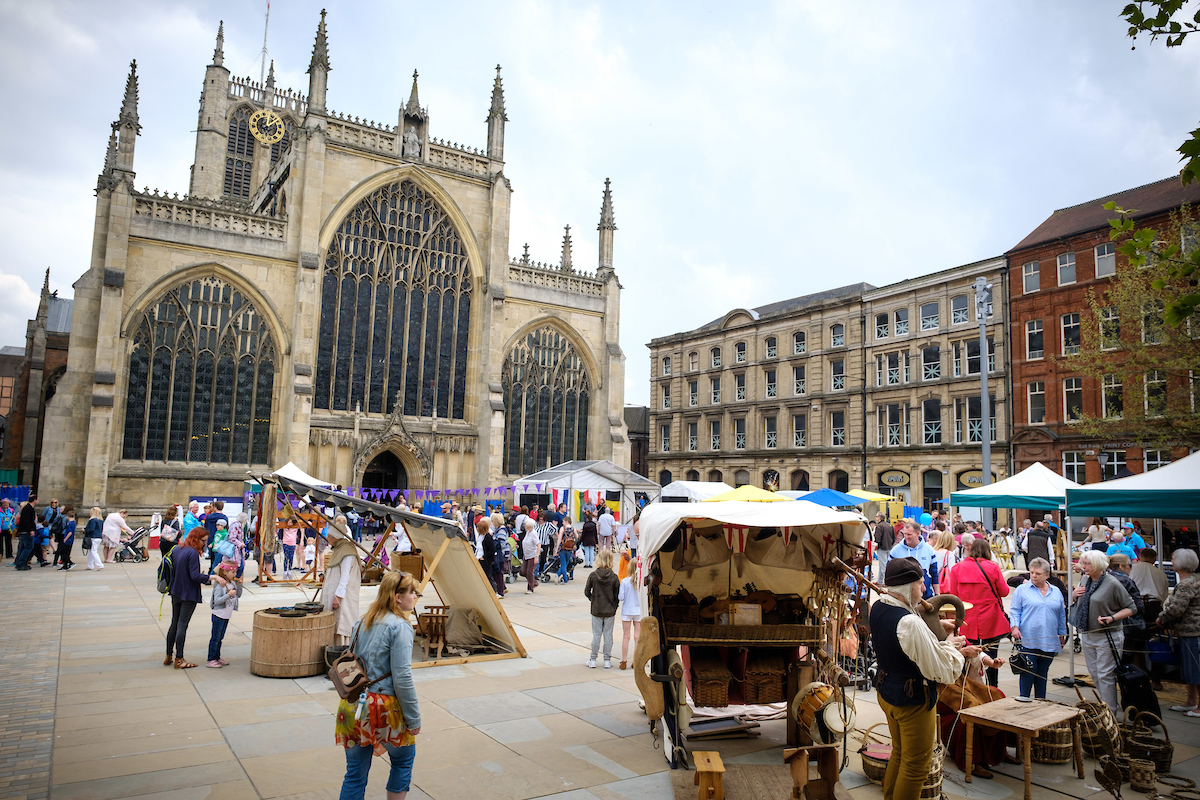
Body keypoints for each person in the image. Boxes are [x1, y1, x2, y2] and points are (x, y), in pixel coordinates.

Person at [870, 557, 967, 800]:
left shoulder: (880, 607)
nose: (924, 589)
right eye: (920, 583)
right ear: (907, 586)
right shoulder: (909, 622)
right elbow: (941, 670)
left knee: (901, 754)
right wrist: (952, 647)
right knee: (915, 767)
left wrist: (933, 631)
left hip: (888, 694)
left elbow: (906, 642)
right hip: (912, 702)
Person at [334, 570, 421, 800]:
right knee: (403, 761)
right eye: (412, 592)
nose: (415, 596)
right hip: (382, 707)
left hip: (352, 705)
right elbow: (402, 676)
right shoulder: (400, 627)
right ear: (397, 597)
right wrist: (413, 719)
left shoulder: (362, 621)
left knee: (354, 774)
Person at [1072, 549, 1137, 710]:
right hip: (1088, 633)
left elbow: (1132, 607)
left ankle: (1110, 712)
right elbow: (1077, 604)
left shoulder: (1112, 583)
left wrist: (1113, 618)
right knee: (1094, 673)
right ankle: (1105, 705)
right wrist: (1073, 595)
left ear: (1098, 565)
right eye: (1083, 563)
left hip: (1108, 635)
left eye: (1087, 563)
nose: (1083, 566)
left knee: (1105, 674)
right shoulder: (1086, 580)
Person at [942, 538, 1010, 687]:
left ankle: (969, 689)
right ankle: (992, 688)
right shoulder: (992, 567)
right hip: (991, 619)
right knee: (992, 657)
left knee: (967, 656)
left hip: (967, 619)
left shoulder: (957, 568)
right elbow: (1004, 592)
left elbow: (953, 596)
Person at [166, 526, 229, 669]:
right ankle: (179, 659)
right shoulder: (192, 553)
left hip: (176, 590)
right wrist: (213, 576)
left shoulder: (178, 548)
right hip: (188, 593)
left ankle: (169, 655)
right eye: (203, 540)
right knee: (182, 625)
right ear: (196, 538)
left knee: (174, 623)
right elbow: (195, 576)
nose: (204, 544)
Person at [1010, 558, 1067, 699]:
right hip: (1027, 637)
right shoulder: (1022, 590)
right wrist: (1015, 627)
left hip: (1049, 639)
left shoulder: (1056, 591)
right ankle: (1024, 698)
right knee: (1029, 670)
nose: (1034, 576)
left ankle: (1041, 701)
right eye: (1032, 572)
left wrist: (1062, 635)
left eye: (1038, 573)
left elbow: (1061, 615)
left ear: (1047, 575)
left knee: (1042, 673)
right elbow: (1015, 611)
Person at [1157, 548, 1200, 714]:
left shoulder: (1186, 584)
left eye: (1173, 559)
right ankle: (1190, 701)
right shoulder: (1194, 580)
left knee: (1195, 669)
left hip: (1192, 632)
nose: (1172, 561)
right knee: (1190, 670)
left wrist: (1161, 618)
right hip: (1189, 631)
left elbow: (1176, 609)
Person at [323, 515, 362, 646]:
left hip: (342, 596)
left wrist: (338, 596)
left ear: (335, 537)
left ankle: (342, 649)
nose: (328, 538)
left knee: (342, 622)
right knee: (334, 622)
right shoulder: (339, 548)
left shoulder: (347, 551)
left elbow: (345, 575)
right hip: (335, 593)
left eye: (329, 536)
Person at [584, 549, 620, 669]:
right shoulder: (614, 577)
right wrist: (614, 605)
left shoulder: (593, 576)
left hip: (596, 609)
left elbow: (587, 591)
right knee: (608, 635)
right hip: (610, 609)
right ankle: (607, 659)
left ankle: (593, 658)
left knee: (596, 635)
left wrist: (593, 600)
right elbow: (617, 595)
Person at [889, 520, 938, 598]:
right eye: (904, 534)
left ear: (918, 534)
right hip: (903, 597)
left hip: (926, 596)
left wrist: (937, 594)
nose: (906, 537)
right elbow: (889, 574)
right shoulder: (895, 551)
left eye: (909, 534)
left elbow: (934, 574)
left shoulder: (929, 550)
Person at [207, 562, 240, 668]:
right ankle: (211, 659)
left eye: (235, 572)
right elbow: (216, 601)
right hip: (219, 615)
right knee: (215, 638)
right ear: (225, 572)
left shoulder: (232, 583)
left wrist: (240, 585)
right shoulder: (219, 586)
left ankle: (217, 657)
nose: (235, 574)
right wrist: (228, 595)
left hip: (226, 615)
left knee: (220, 638)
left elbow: (238, 594)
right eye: (233, 572)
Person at [618, 568, 640, 670]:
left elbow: (621, 597)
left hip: (627, 610)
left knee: (626, 636)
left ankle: (624, 661)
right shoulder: (640, 582)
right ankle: (636, 661)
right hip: (638, 611)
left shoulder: (624, 581)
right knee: (637, 637)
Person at [13, 494, 39, 570]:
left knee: (22, 547)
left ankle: (20, 562)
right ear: (34, 500)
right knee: (29, 547)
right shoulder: (28, 508)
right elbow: (26, 521)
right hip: (26, 531)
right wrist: (30, 530)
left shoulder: (28, 508)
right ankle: (21, 563)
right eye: (37, 499)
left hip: (24, 531)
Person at [874, 512, 895, 579]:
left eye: (876, 516)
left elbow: (877, 538)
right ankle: (880, 581)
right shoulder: (890, 525)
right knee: (885, 564)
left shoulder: (879, 526)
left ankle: (884, 580)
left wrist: (877, 545)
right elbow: (893, 537)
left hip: (882, 548)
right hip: (889, 547)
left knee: (883, 565)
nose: (876, 517)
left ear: (879, 518)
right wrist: (891, 544)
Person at [521, 518, 540, 594]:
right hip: (526, 555)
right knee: (523, 571)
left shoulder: (534, 533)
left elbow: (538, 544)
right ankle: (534, 582)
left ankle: (530, 588)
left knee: (529, 572)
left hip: (532, 554)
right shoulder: (527, 532)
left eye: (525, 524)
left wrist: (537, 556)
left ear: (529, 525)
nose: (524, 525)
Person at [57, 505, 77, 571]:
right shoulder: (73, 523)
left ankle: (70, 563)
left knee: (64, 553)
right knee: (65, 552)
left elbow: (70, 532)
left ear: (67, 516)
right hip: (71, 540)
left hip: (67, 540)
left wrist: (65, 539)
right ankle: (65, 565)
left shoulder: (69, 523)